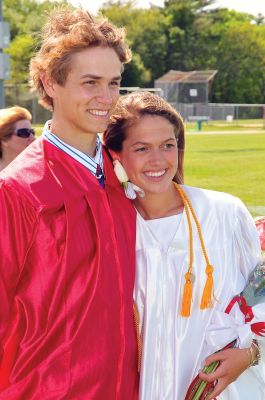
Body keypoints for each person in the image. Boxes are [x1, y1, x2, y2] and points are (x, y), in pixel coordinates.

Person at [0, 8, 139, 399]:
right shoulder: (18, 191)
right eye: (90, 82)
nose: (105, 98)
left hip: (126, 386)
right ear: (50, 83)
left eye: (113, 83)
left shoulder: (124, 173)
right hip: (46, 389)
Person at [104, 91, 265, 400]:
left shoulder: (223, 214)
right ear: (116, 156)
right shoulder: (108, 229)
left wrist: (250, 354)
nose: (158, 160)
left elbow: (258, 302)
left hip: (222, 389)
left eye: (168, 145)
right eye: (141, 148)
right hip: (140, 389)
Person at [0, 106, 35, 171]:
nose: (33, 138)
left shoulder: (37, 168)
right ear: (4, 140)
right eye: (24, 132)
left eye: (32, 132)